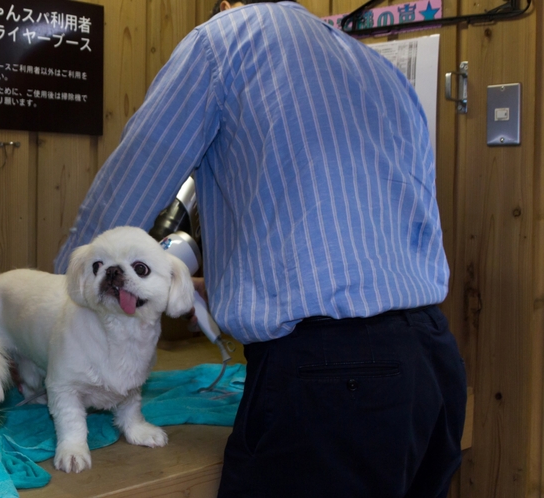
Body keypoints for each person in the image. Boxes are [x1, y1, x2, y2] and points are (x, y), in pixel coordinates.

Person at [53, 0, 467, 496]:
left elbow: (124, 195)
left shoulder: (224, 40)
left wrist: (61, 299)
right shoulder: (380, 69)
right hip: (433, 362)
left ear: (224, 5)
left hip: (332, 381)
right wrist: (219, 288)